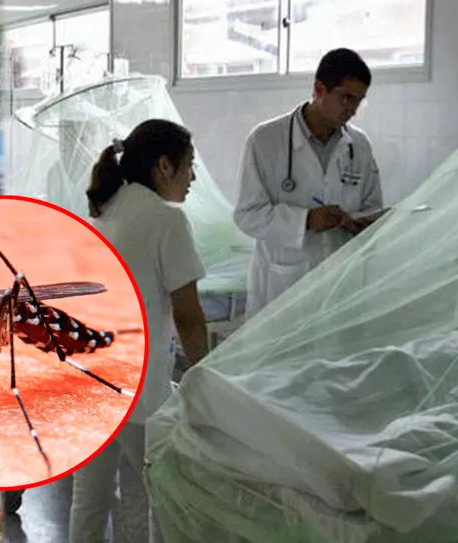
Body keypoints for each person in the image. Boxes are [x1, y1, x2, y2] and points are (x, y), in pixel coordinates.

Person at [73, 119, 210, 543]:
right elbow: (188, 314)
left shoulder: (104, 211)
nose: (193, 177)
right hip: (136, 386)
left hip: (88, 379)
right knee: (168, 494)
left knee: (90, 497)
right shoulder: (167, 221)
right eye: (190, 165)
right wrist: (205, 375)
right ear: (164, 167)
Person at [233, 48, 385, 320]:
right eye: (346, 98)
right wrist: (305, 220)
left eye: (359, 101)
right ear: (319, 89)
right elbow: (247, 215)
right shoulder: (266, 140)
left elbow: (373, 205)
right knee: (280, 356)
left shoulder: (359, 145)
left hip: (341, 282)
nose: (352, 109)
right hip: (284, 284)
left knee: (336, 356)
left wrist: (363, 222)